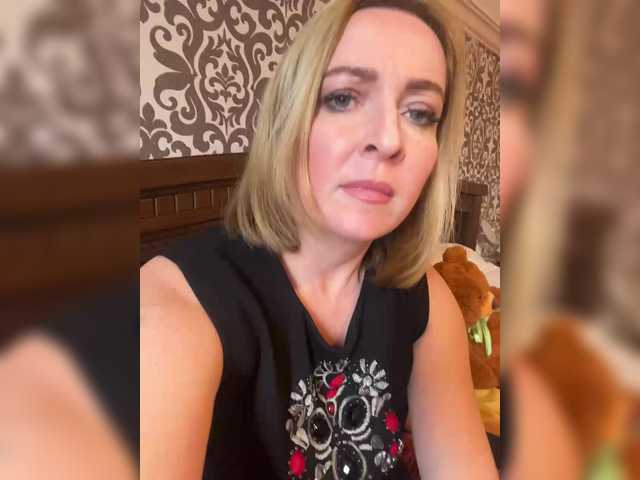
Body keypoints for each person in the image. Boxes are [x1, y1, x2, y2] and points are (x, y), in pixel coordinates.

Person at [140, 0, 497, 478]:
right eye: (343, 98)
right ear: (288, 118)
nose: (389, 139)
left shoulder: (428, 302)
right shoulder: (174, 310)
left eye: (419, 113)